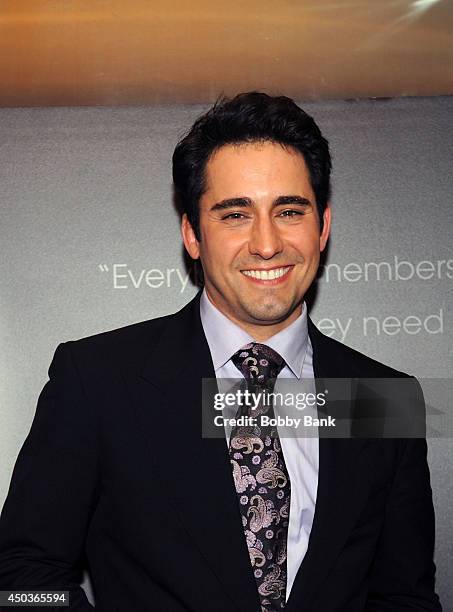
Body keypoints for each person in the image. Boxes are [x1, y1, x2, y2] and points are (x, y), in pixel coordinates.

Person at [0, 92, 441, 611]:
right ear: (192, 234)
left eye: (289, 210)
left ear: (322, 227)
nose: (267, 243)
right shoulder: (98, 381)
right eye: (235, 214)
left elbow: (404, 596)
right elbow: (22, 580)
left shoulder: (383, 397)